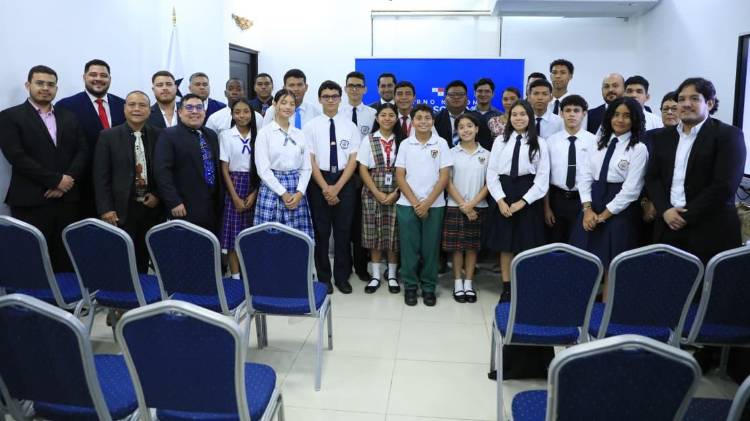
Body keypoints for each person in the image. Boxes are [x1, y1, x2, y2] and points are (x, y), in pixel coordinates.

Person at [646, 77, 746, 264]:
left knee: (708, 282)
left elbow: (724, 185)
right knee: (666, 279)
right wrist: (665, 210)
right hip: (667, 226)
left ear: (709, 103)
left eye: (694, 98)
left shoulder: (728, 135)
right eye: (681, 99)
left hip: (710, 230)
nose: (686, 104)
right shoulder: (662, 137)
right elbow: (652, 178)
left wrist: (685, 216)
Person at [0, 65, 88, 272]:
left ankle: (64, 295)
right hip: (30, 200)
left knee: (65, 261)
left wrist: (67, 180)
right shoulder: (9, 117)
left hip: (67, 200)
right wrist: (55, 181)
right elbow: (16, 157)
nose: (45, 88)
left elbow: (83, 151)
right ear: (28, 85)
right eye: (40, 83)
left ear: (56, 88)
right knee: (31, 261)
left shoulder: (69, 116)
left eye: (51, 84)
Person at [572, 97, 648, 292]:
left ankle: (607, 309)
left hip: (619, 210)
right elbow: (584, 177)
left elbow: (631, 190)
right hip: (593, 204)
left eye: (626, 116)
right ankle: (582, 307)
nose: (620, 120)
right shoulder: (597, 143)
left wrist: (603, 216)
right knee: (584, 259)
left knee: (612, 265)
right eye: (616, 115)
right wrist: (587, 209)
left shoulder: (638, 148)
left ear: (635, 120)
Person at [485, 99, 549, 302]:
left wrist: (523, 202)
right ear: (509, 118)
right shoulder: (500, 141)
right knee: (506, 244)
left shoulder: (540, 142)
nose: (518, 118)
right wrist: (500, 200)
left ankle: (524, 286)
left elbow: (542, 178)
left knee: (526, 244)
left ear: (530, 117)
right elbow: (492, 173)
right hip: (504, 193)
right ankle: (507, 287)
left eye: (523, 114)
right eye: (514, 114)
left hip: (528, 195)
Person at [93, 90, 162, 273]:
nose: (137, 109)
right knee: (120, 260)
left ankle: (143, 289)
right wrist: (106, 208)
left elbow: (164, 172)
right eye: (132, 105)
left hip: (150, 208)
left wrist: (157, 194)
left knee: (143, 258)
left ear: (149, 110)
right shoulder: (108, 136)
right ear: (124, 109)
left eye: (142, 105)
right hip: (120, 209)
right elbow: (101, 176)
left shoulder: (160, 135)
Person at [305, 81, 361, 294]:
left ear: (340, 98)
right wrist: (325, 187)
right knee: (321, 233)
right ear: (319, 99)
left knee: (343, 232)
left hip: (344, 181)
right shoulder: (311, 126)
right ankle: (324, 278)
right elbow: (310, 160)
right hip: (318, 180)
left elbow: (353, 159)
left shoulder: (350, 126)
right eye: (326, 96)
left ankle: (342, 277)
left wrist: (337, 187)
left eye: (334, 96)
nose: (330, 100)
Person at [395, 104, 452, 306]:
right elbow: (400, 176)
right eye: (419, 118)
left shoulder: (441, 143)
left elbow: (444, 176)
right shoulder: (405, 144)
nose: (423, 121)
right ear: (412, 121)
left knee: (430, 248)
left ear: (433, 121)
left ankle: (429, 287)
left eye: (427, 118)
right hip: (407, 204)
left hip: (434, 205)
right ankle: (410, 286)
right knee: (409, 248)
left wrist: (427, 203)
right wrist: (415, 202)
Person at [56, 59, 125, 218]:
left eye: (103, 75)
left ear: (110, 79)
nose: (98, 79)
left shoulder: (123, 105)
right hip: (81, 186)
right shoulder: (66, 106)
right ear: (84, 77)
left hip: (118, 184)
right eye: (93, 74)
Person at [253, 88, 314, 250]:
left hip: (296, 190)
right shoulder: (265, 133)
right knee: (270, 241)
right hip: (273, 189)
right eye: (284, 102)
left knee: (295, 241)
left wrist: (300, 193)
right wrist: (283, 193)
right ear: (275, 104)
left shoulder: (300, 134)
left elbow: (306, 167)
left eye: (292, 104)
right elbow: (263, 169)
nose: (288, 107)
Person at [154, 93, 223, 233]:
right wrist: (174, 201)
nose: (195, 111)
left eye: (199, 107)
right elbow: (162, 172)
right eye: (189, 108)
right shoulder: (168, 135)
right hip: (184, 207)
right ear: (180, 112)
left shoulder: (211, 135)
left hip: (212, 206)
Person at [358, 103, 404, 294]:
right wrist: (376, 192)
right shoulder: (369, 140)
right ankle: (376, 275)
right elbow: (362, 168)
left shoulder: (403, 141)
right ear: (377, 118)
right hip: (372, 192)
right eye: (383, 115)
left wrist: (396, 193)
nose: (387, 118)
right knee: (374, 234)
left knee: (393, 234)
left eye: (391, 115)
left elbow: (407, 170)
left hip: (397, 192)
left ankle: (392, 275)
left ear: (396, 118)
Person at [443, 113, 489, 303]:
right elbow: (447, 181)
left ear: (477, 129)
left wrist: (472, 205)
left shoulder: (487, 154)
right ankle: (457, 283)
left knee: (472, 248)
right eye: (461, 127)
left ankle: (468, 283)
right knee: (457, 248)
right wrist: (464, 205)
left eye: (469, 126)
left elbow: (489, 183)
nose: (466, 130)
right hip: (455, 206)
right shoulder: (450, 153)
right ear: (457, 131)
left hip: (479, 207)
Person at [543, 94, 596, 244]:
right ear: (561, 113)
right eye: (567, 110)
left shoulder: (594, 141)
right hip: (557, 199)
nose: (572, 114)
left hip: (583, 200)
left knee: (580, 243)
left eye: (576, 110)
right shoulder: (551, 141)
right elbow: (545, 176)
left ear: (584, 114)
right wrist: (546, 208)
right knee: (555, 243)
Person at [341, 71, 377, 282]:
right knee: (344, 222)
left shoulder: (373, 114)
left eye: (359, 86)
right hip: (343, 174)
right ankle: (344, 267)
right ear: (345, 88)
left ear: (365, 89)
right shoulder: (338, 112)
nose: (355, 89)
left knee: (362, 223)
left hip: (365, 173)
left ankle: (362, 267)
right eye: (351, 85)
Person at [219, 99, 259, 280]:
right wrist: (234, 197)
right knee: (233, 235)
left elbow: (263, 167)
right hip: (234, 184)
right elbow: (224, 169)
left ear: (252, 114)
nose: (242, 115)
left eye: (246, 111)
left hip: (254, 184)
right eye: (237, 112)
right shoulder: (226, 135)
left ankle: (250, 276)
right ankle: (235, 278)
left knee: (251, 234)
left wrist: (254, 193)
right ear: (232, 115)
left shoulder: (259, 135)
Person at [434, 80, 471, 147]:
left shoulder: (476, 118)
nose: (456, 97)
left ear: (467, 98)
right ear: (445, 98)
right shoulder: (434, 119)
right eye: (452, 94)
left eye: (460, 94)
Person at [472, 78, 503, 151]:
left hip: (494, 155)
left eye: (487, 91)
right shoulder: (468, 115)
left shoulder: (500, 116)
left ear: (493, 94)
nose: (483, 94)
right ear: (474, 93)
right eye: (480, 91)